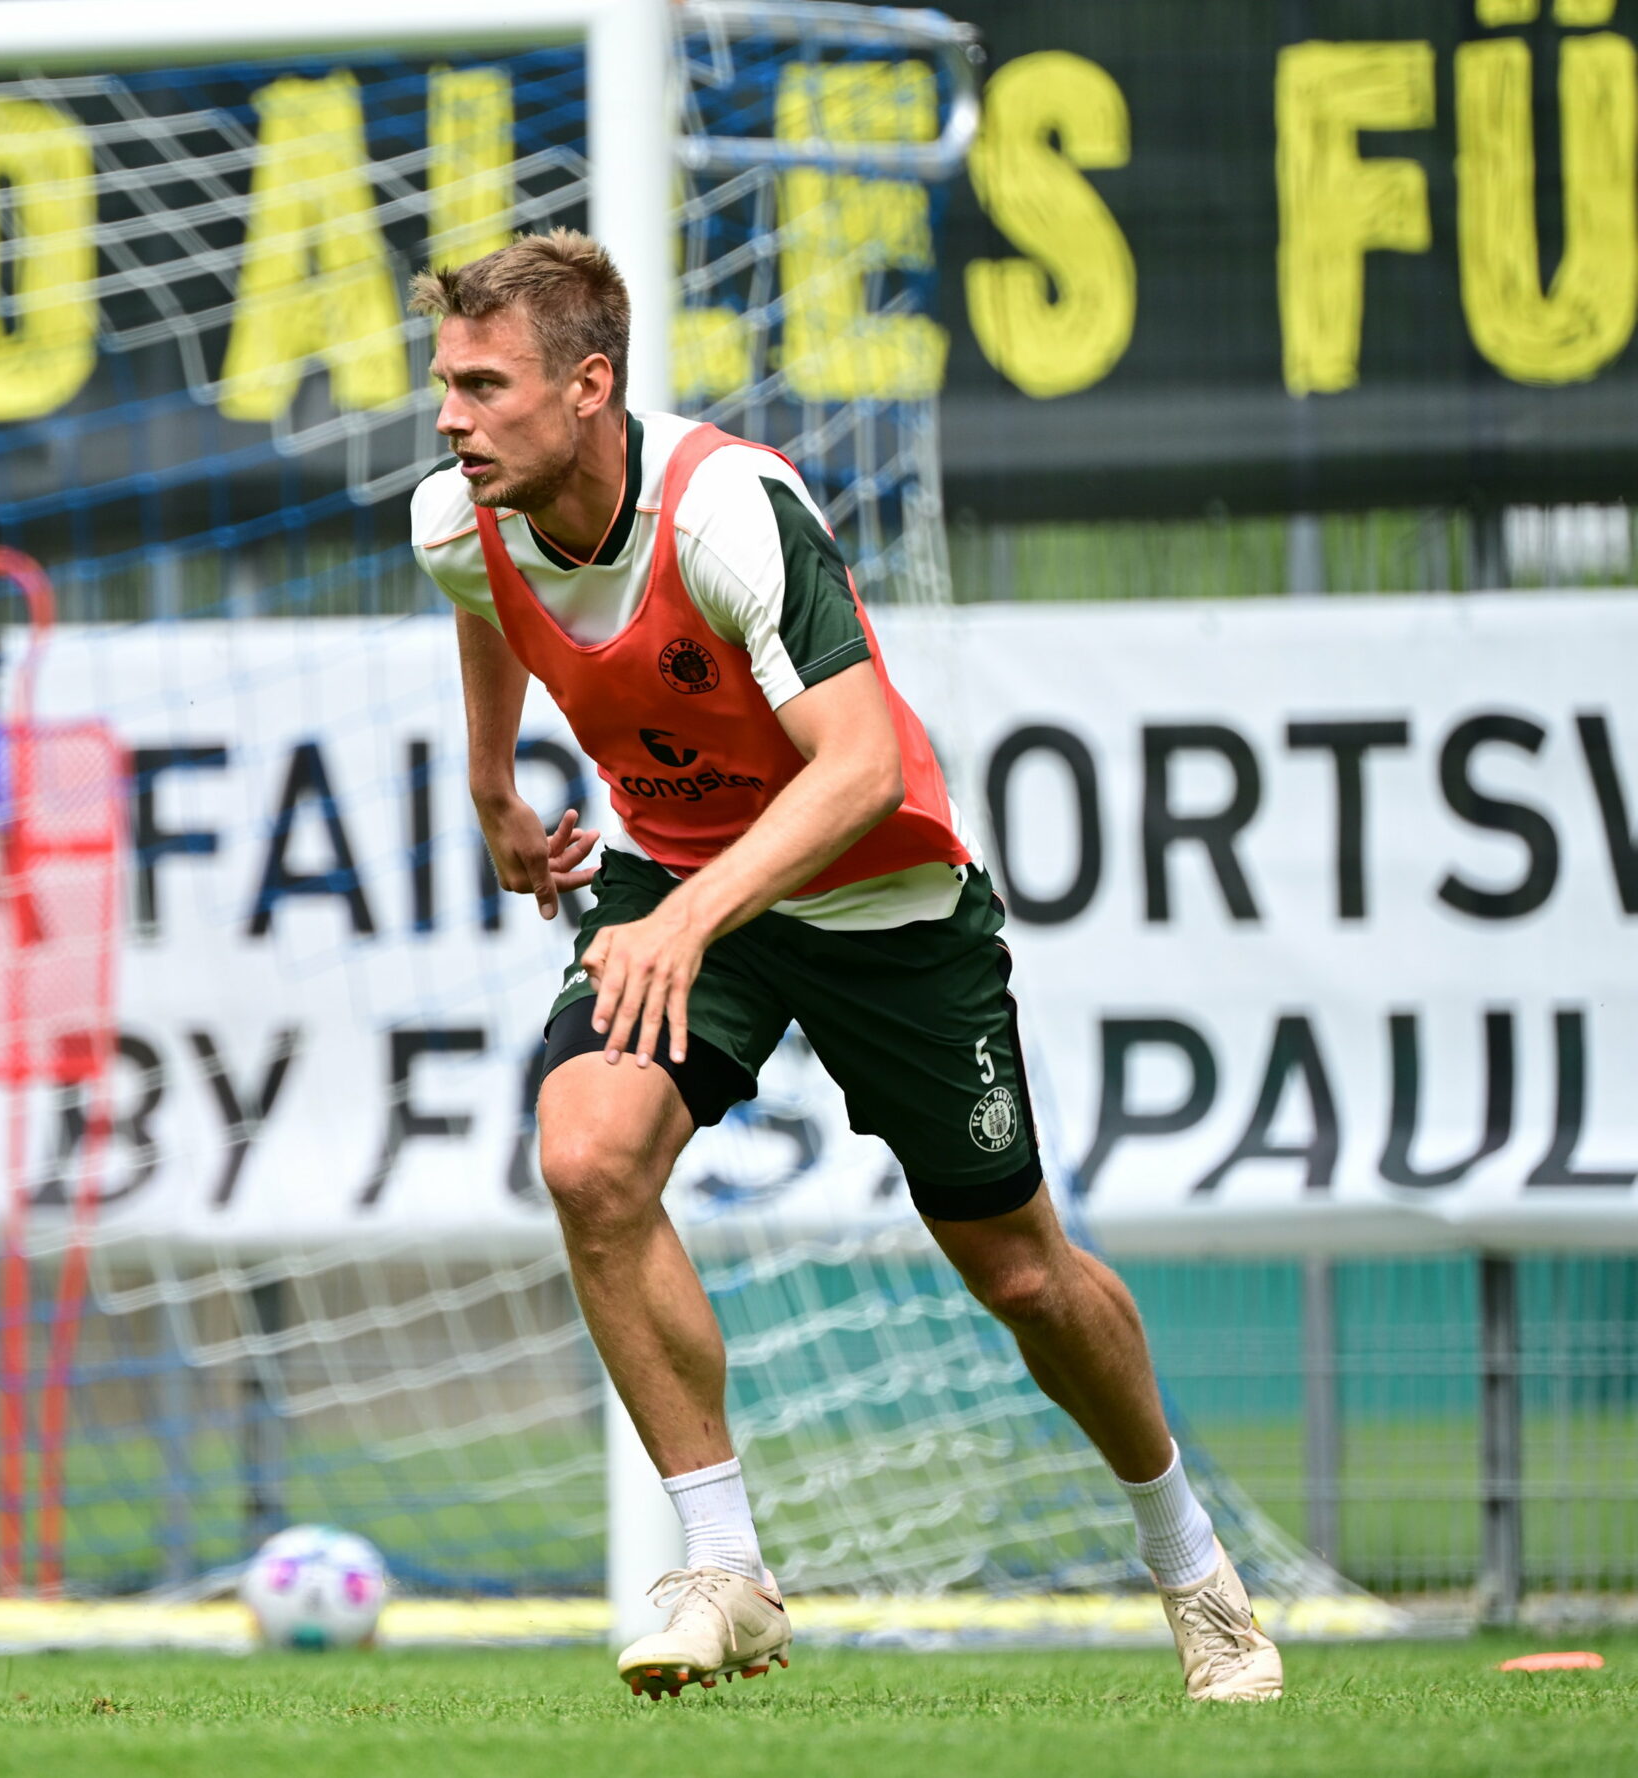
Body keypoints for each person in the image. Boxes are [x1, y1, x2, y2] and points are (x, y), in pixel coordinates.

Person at [408, 230, 1282, 1705]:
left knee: (1021, 1271)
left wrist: (686, 921)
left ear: (589, 386)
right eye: (444, 385)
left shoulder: (728, 511)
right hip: (687, 879)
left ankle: (1194, 1568)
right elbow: (487, 600)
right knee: (587, 1153)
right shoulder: (458, 515)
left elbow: (865, 764)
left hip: (882, 903)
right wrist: (498, 787)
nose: (450, 417)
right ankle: (725, 1564)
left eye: (484, 387)